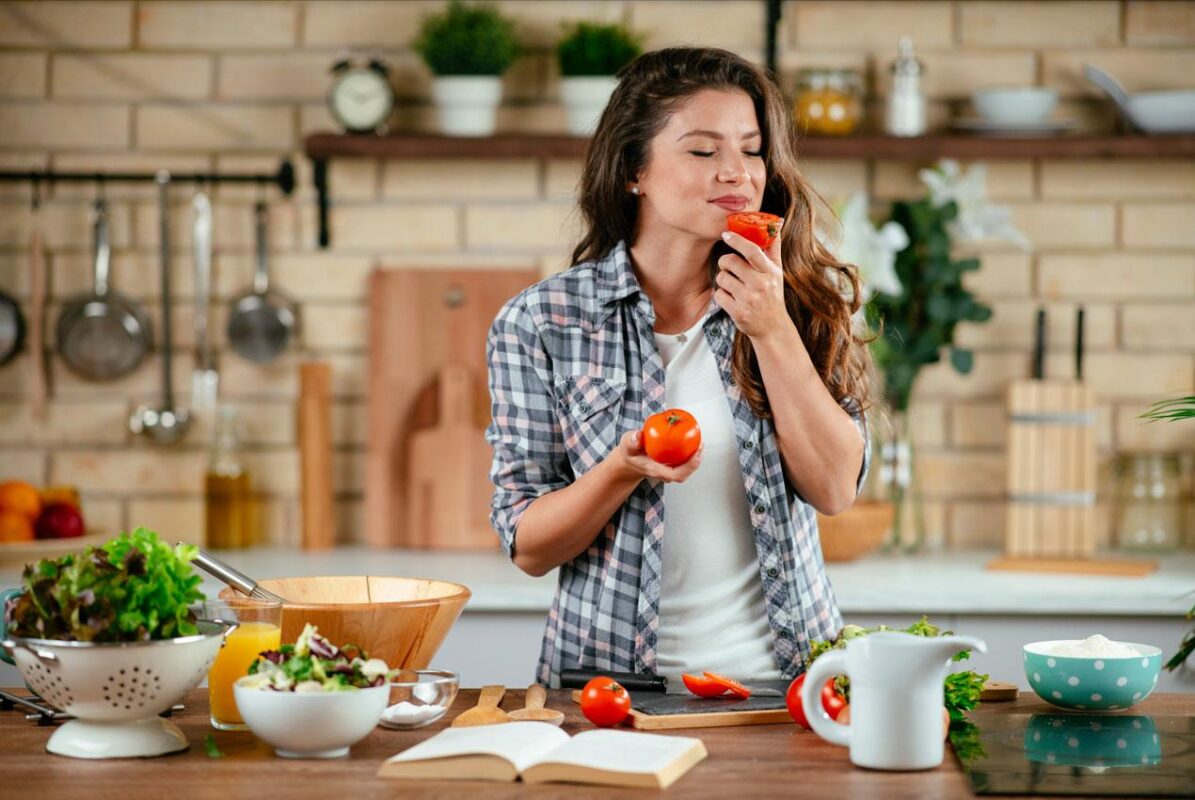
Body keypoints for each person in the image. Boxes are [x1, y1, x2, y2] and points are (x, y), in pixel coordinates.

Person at [485, 47, 872, 688]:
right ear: (635, 169)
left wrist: (770, 326)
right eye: (702, 151)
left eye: (751, 150)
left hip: (790, 688)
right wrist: (619, 470)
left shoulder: (800, 301)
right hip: (608, 692)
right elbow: (528, 546)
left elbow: (835, 490)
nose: (738, 173)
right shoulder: (541, 322)